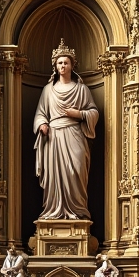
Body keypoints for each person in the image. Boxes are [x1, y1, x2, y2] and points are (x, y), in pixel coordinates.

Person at [33, 41, 99, 220]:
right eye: (60, 62)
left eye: (66, 62)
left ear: (72, 65)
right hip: (54, 137)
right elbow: (40, 113)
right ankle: (54, 210)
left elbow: (94, 112)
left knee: (75, 170)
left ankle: (77, 210)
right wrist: (42, 124)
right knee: (55, 177)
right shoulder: (48, 90)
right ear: (55, 66)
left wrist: (78, 114)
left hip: (75, 135)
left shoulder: (82, 89)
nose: (63, 65)